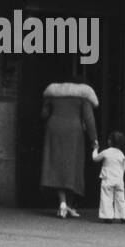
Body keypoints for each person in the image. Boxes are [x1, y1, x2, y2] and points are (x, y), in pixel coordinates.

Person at [41, 75, 99, 218]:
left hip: (54, 129)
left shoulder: (53, 94)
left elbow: (44, 114)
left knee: (57, 165)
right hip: (74, 131)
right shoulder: (83, 95)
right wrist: (94, 139)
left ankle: (62, 204)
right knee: (72, 166)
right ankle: (68, 205)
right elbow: (89, 118)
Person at [92, 131, 125, 224]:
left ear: (110, 142)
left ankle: (108, 217)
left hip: (107, 178)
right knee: (121, 198)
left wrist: (95, 149)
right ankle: (123, 216)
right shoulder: (121, 154)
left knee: (106, 197)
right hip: (119, 179)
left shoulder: (106, 152)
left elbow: (95, 158)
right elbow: (124, 167)